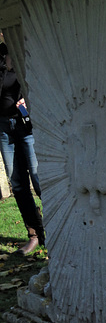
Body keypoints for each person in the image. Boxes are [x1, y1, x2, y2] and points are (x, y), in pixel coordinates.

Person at [0, 41, 45, 254]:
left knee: (38, 177)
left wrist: (29, 101)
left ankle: (58, 229)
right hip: (4, 128)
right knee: (17, 182)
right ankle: (35, 234)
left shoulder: (22, 53)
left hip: (25, 126)